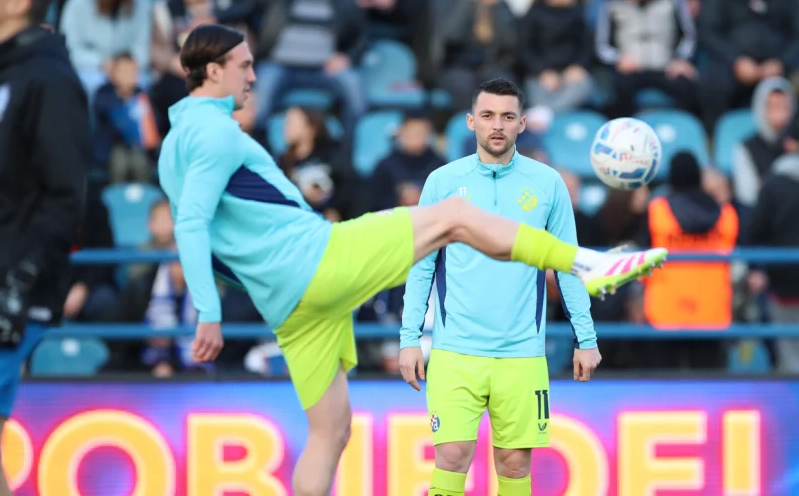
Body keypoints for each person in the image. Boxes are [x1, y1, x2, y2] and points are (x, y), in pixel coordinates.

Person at [157, 24, 666, 496]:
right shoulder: (217, 131)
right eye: (244, 65)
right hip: (316, 260)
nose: (252, 75)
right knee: (453, 216)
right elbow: (194, 223)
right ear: (214, 70)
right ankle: (585, 265)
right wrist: (208, 311)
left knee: (330, 432)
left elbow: (205, 232)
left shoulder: (174, 145)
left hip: (288, 304)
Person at [398, 78, 600, 496]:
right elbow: (421, 264)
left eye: (508, 116)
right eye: (488, 115)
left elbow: (568, 264)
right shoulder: (442, 181)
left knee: (514, 464)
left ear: (523, 123)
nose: (497, 125)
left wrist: (587, 337)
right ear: (471, 121)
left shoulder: (548, 184)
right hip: (456, 351)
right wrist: (409, 338)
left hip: (521, 354)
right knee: (451, 457)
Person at [0, 0, 90, 496]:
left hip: (3, 291)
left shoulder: (48, 79)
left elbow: (65, 196)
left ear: (19, 2)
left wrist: (18, 285)